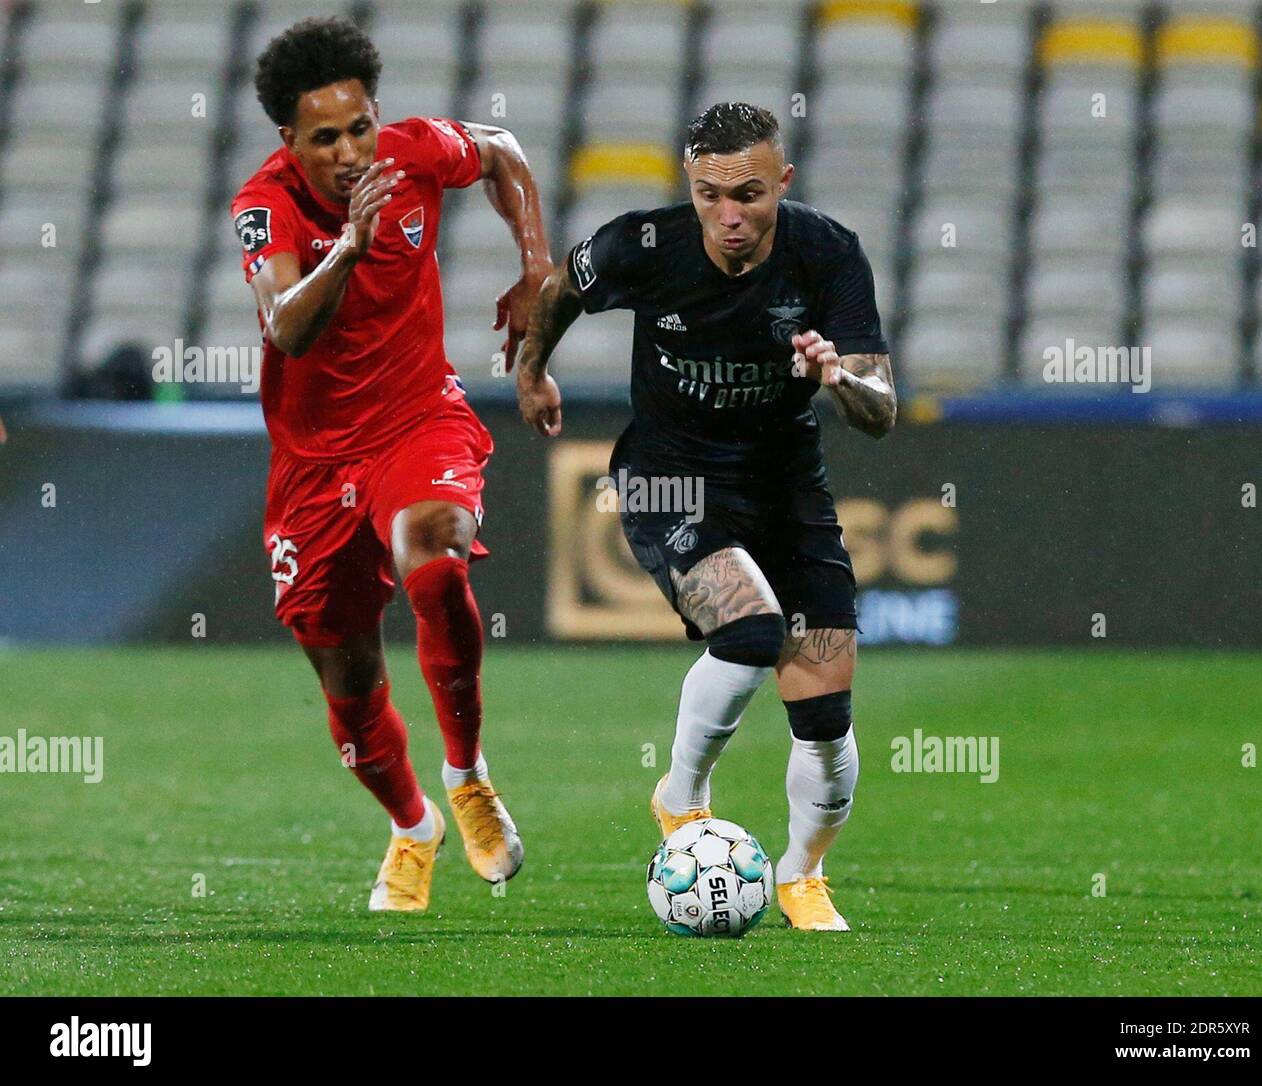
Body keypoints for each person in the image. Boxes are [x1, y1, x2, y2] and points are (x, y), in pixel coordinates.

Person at [515, 102, 895, 931]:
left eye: (749, 195)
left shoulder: (827, 254)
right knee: (752, 632)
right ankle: (681, 797)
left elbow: (881, 408)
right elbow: (558, 287)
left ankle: (800, 874)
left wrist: (840, 380)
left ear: (782, 183)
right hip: (669, 476)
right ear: (689, 186)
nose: (728, 216)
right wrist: (532, 369)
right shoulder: (642, 245)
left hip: (786, 485)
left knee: (826, 720)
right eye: (709, 194)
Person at [230, 17, 552, 910]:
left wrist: (535, 270)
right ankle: (414, 826)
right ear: (288, 142)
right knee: (348, 679)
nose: (349, 150)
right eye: (325, 137)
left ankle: (468, 774)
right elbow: (286, 325)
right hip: (312, 466)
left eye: (359, 126)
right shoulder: (266, 204)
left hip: (417, 422)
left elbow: (503, 152)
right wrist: (350, 245)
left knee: (439, 556)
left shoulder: (414, 155)